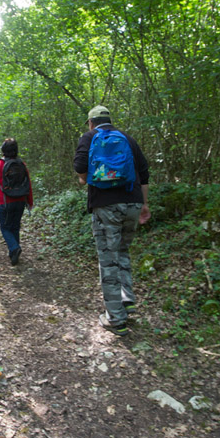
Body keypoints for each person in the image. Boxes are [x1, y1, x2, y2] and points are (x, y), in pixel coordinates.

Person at [73, 106, 151, 336]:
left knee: (108, 259)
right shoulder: (128, 138)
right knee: (123, 251)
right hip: (133, 203)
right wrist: (144, 204)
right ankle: (127, 301)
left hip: (106, 205)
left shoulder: (89, 138)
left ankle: (115, 318)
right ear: (110, 121)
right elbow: (144, 173)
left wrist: (84, 179)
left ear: (90, 123)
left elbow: (80, 169)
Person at [0, 138, 34, 265]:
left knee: (5, 228)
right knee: (15, 226)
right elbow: (28, 184)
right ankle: (14, 255)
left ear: (3, 150)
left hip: (4, 202)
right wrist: (30, 201)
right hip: (20, 200)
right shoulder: (22, 164)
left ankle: (14, 248)